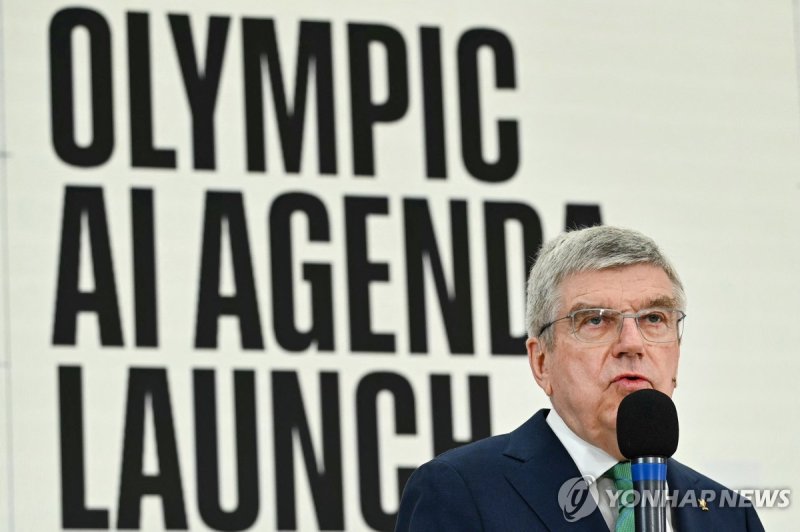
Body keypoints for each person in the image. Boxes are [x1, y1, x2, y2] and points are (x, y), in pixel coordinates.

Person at [395, 226, 764, 531]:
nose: (632, 344)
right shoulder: (461, 491)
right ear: (541, 362)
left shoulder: (729, 515)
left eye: (654, 318)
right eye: (596, 320)